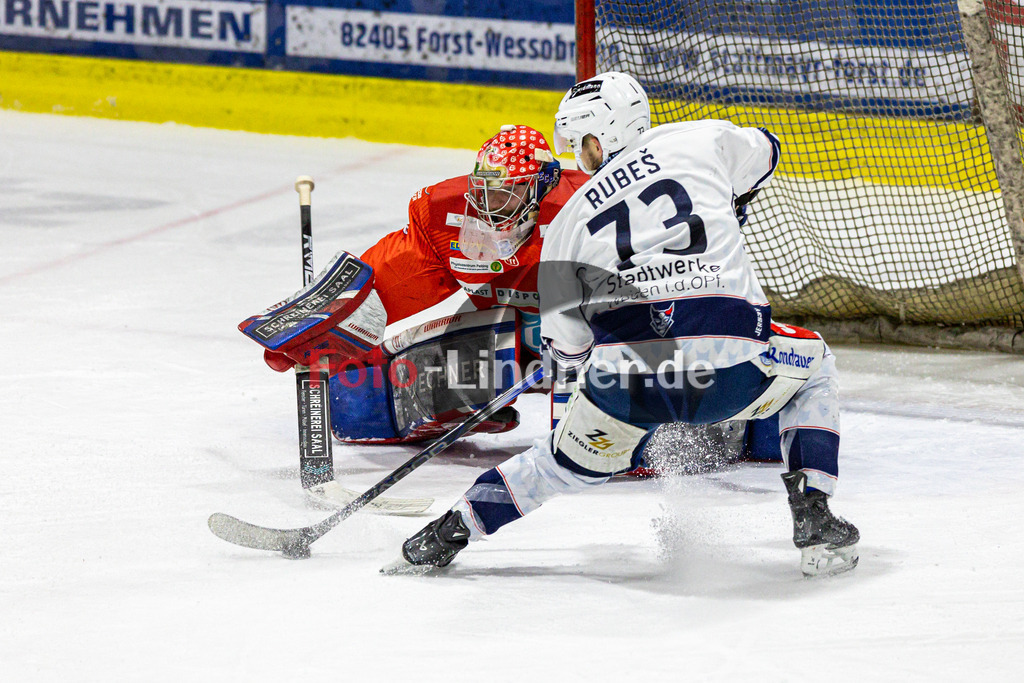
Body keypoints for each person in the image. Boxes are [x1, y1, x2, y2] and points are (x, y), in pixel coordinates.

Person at [387, 72, 860, 577]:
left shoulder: (568, 221)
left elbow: (569, 353)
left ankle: (448, 531)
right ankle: (814, 514)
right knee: (815, 366)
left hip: (626, 386)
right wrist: (731, 199)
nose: (578, 158)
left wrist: (573, 353)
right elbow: (768, 150)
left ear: (597, 141)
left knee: (556, 465)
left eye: (578, 145)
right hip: (727, 367)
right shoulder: (699, 139)